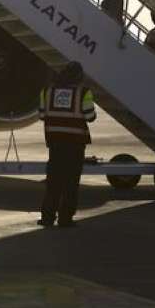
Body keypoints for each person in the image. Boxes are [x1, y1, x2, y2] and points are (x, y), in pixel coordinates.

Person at [38, 61, 96, 228]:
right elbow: (90, 116)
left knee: (53, 182)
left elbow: (42, 115)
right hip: (75, 144)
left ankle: (47, 217)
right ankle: (65, 218)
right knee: (70, 183)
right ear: (78, 77)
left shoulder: (47, 91)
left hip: (55, 143)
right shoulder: (83, 92)